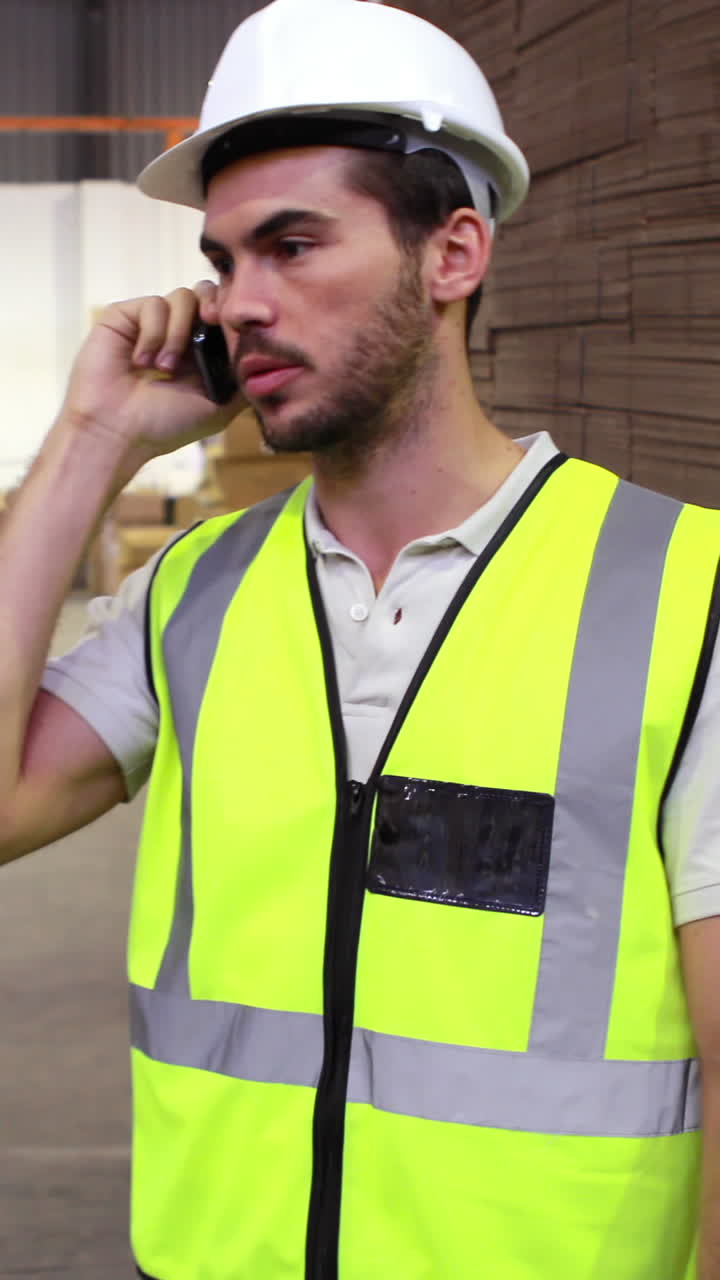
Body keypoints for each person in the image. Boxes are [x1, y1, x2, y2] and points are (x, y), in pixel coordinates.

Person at [2, 0, 719, 1276]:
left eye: (292, 246)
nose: (238, 305)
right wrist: (90, 443)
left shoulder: (684, 592)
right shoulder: (195, 592)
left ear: (454, 253)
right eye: (223, 262)